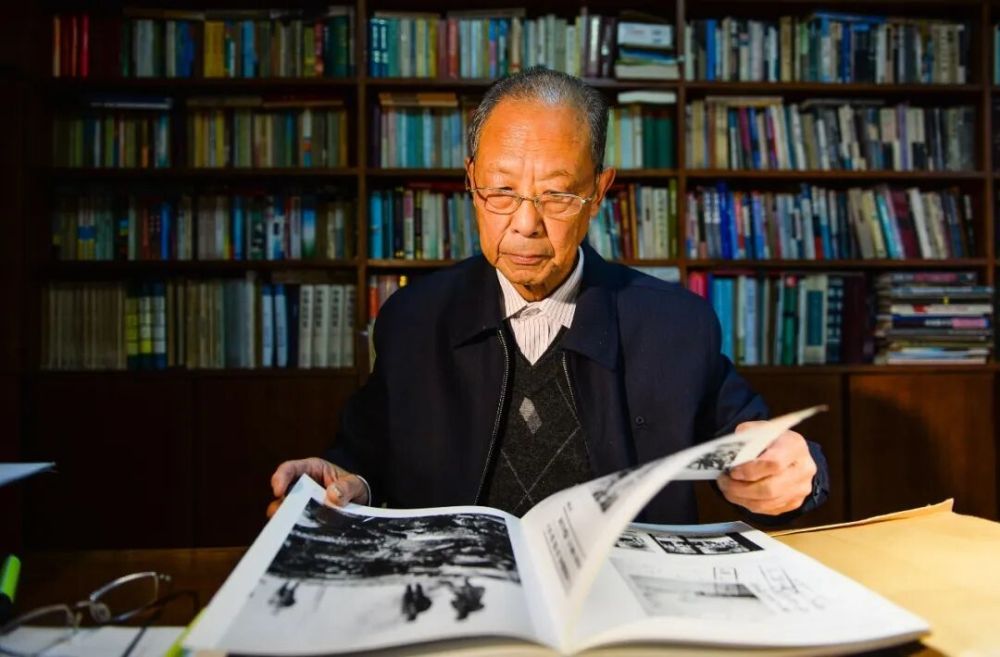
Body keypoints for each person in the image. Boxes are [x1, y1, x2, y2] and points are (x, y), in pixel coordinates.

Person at [270, 67, 829, 525]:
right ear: (470, 181)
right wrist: (342, 483)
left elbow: (758, 446)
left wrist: (793, 469)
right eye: (501, 190)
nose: (525, 224)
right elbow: (365, 456)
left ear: (599, 191)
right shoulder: (414, 317)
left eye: (557, 195)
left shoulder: (675, 324)